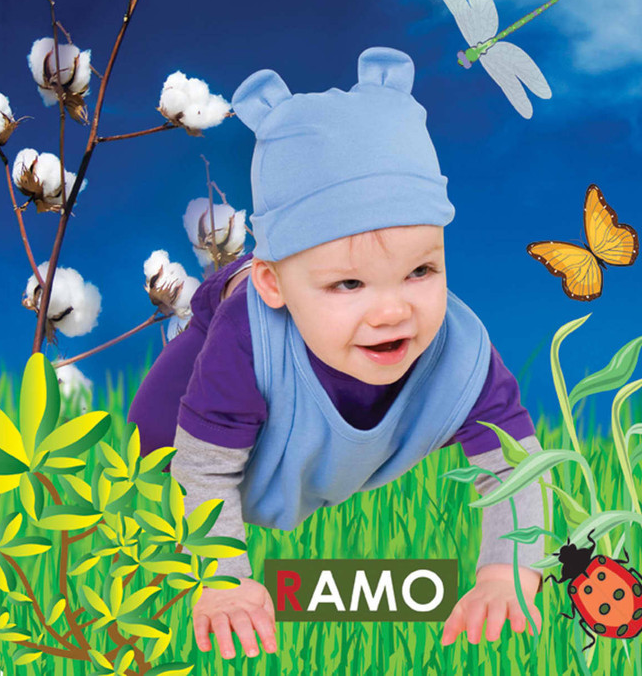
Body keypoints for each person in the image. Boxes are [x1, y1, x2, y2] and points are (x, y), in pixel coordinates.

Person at [128, 47, 545, 660]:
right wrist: (222, 580)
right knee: (178, 469)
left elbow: (514, 461)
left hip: (315, 463)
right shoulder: (251, 338)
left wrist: (507, 572)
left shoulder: (458, 349)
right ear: (274, 285)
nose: (392, 310)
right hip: (173, 454)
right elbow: (205, 470)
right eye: (349, 284)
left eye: (421, 270)